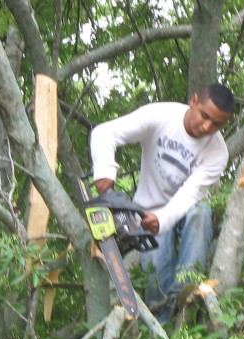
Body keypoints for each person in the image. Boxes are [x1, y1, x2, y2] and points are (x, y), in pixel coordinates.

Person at [89, 83, 234, 322]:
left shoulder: (218, 153)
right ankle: (161, 321)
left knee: (200, 212)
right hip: (150, 208)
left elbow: (190, 193)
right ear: (194, 101)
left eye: (217, 124)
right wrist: (105, 169)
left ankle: (187, 299)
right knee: (156, 272)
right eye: (205, 116)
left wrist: (164, 220)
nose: (207, 126)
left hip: (188, 207)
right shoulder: (161, 116)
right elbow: (105, 133)